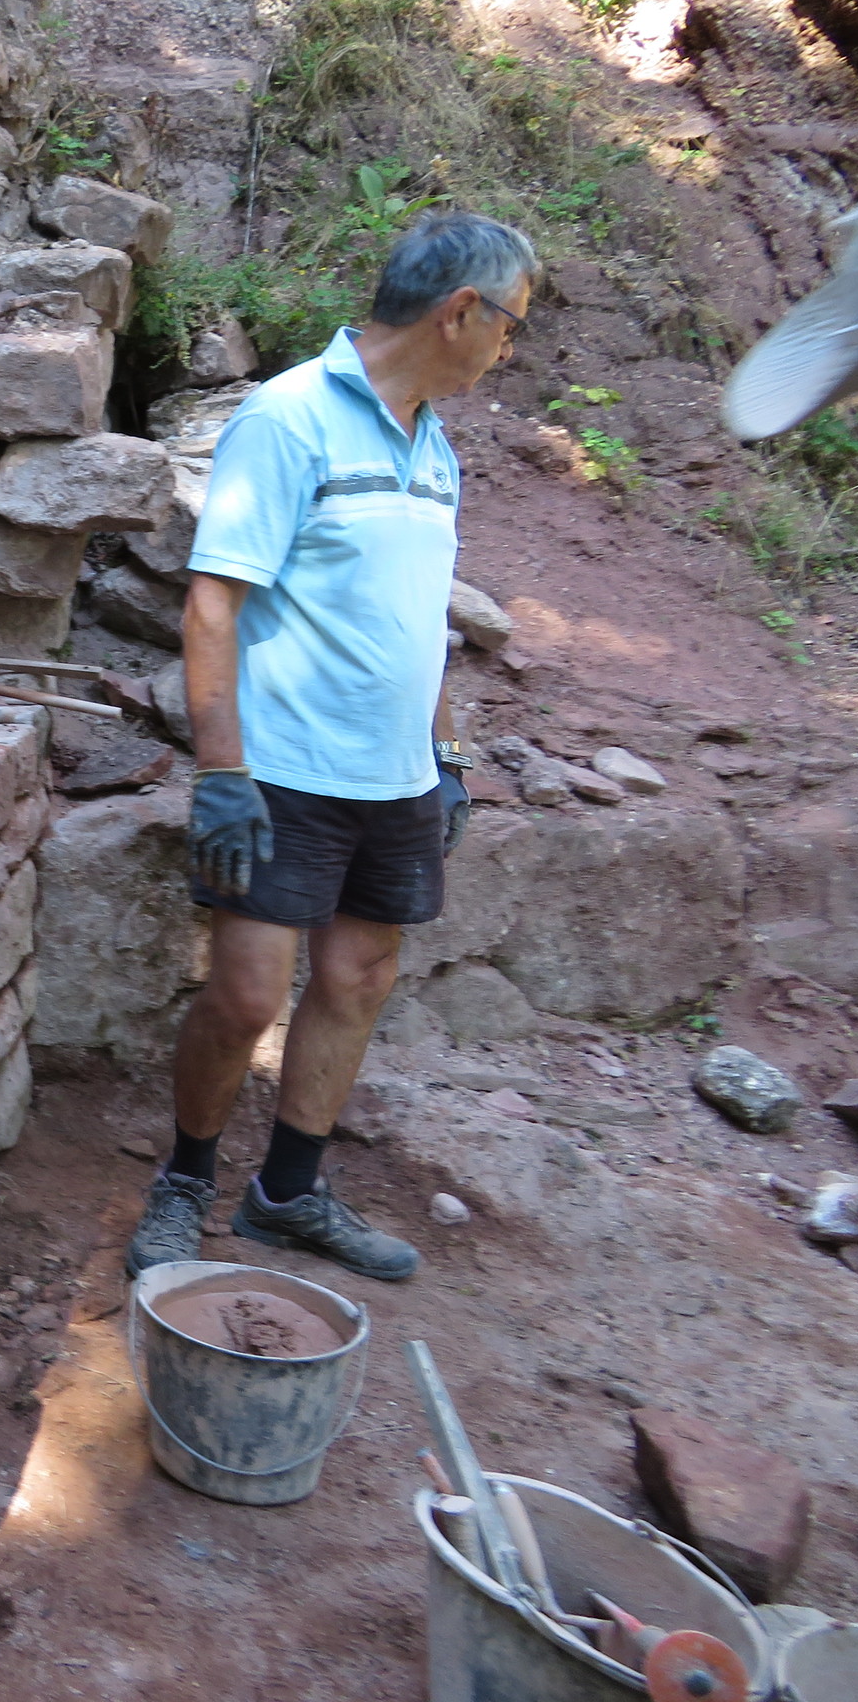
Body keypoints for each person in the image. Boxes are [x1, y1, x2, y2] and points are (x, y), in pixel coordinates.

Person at [124, 211, 537, 1284]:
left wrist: (445, 758)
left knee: (358, 978)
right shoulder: (290, 416)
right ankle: (185, 1183)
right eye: (511, 325)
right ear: (460, 312)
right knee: (246, 997)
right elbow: (213, 605)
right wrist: (222, 772)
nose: (509, 349)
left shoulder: (433, 447)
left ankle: (286, 1196)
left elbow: (417, 619)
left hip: (394, 777)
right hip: (282, 770)